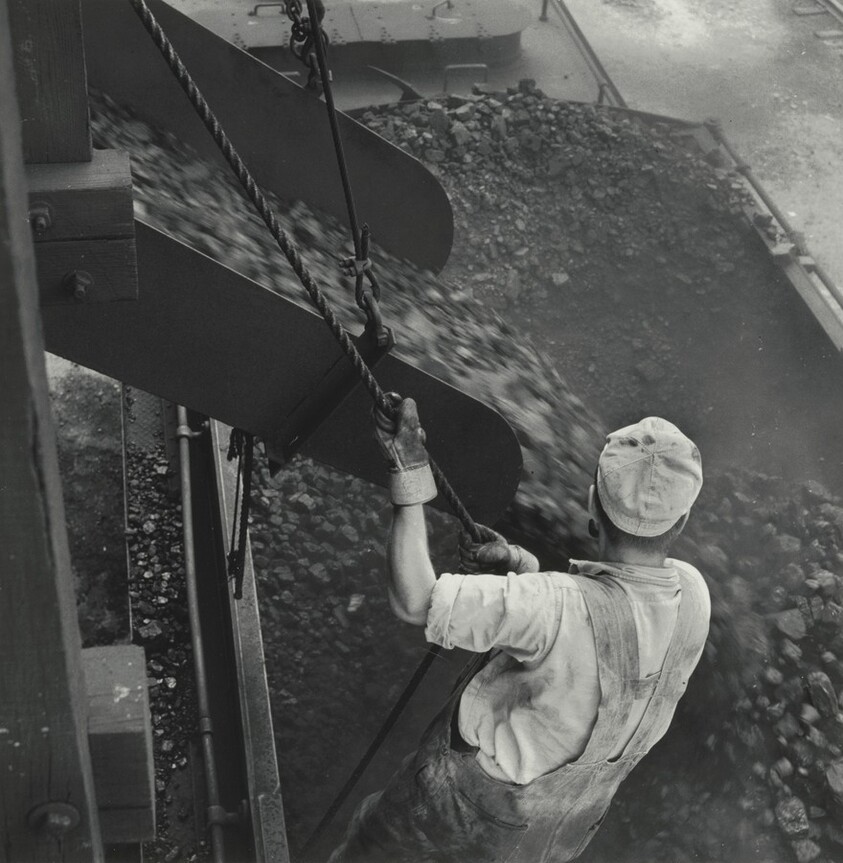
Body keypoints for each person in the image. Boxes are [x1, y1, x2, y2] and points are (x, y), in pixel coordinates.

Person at [328, 399, 711, 863]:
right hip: (552, 834)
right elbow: (599, 628)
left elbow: (414, 600)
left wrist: (407, 473)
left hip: (459, 810)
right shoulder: (695, 593)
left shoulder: (555, 606)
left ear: (593, 500)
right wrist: (522, 568)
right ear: (681, 521)